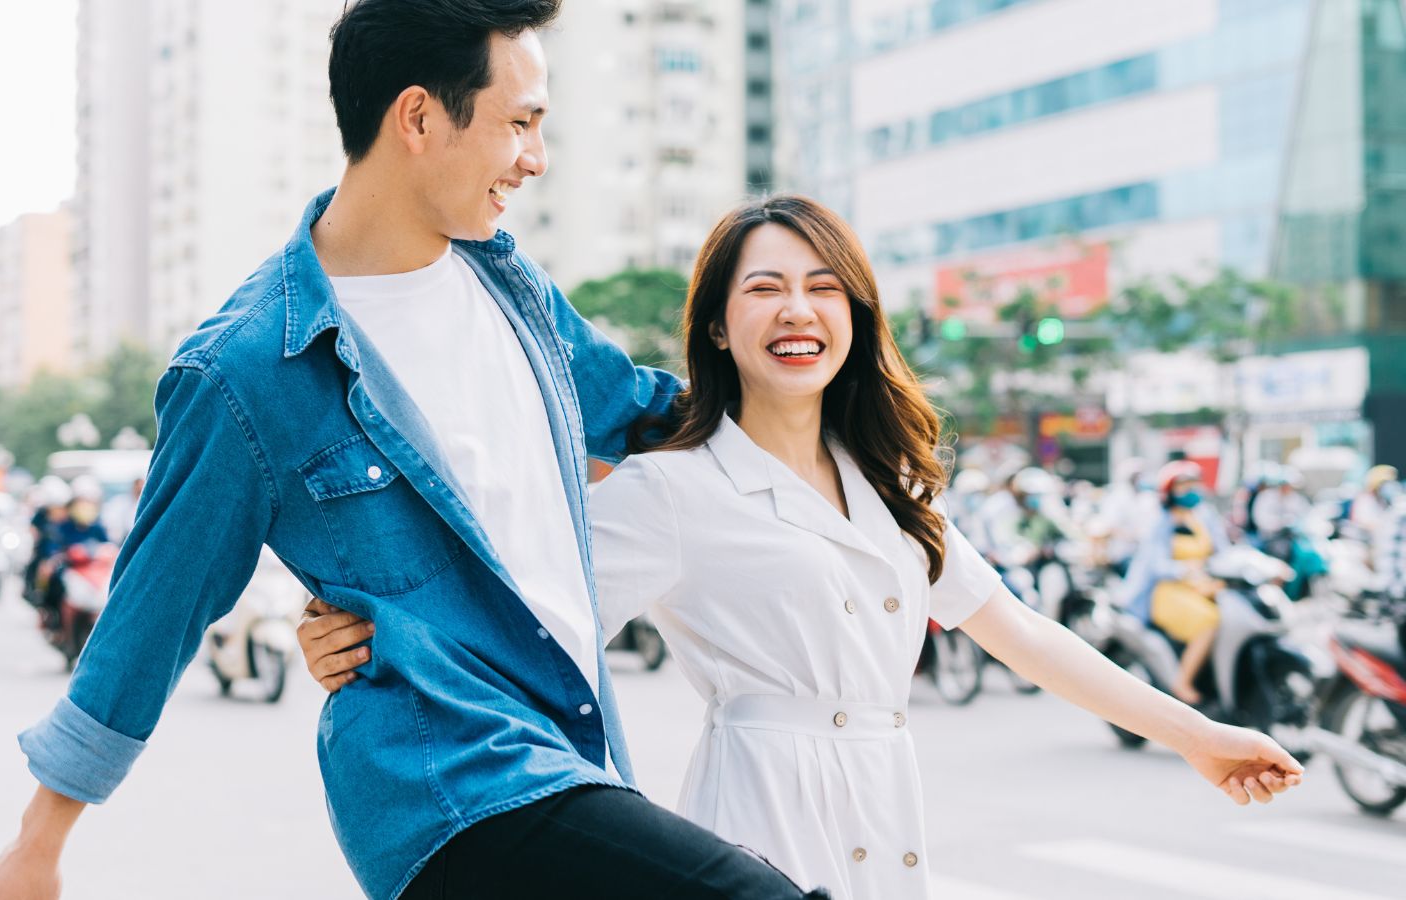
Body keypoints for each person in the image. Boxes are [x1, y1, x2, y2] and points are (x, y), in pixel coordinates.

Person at [0, 4, 826, 899]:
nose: (536, 158)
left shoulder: (511, 288)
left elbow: (650, 414)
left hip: (572, 753)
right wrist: (39, 845)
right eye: (520, 123)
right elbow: (155, 607)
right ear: (418, 117)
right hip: (444, 788)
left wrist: (829, 388)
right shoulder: (247, 369)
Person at [303, 196, 1305, 899]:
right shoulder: (673, 490)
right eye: (765, 288)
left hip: (886, 803)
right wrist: (362, 628)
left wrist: (1198, 737)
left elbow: (1023, 634)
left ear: (855, 317)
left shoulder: (893, 487)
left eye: (824, 287)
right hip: (757, 818)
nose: (797, 309)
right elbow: (510, 622)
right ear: (718, 325)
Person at [1122, 461, 1231, 705]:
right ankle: (1182, 682)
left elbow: (1224, 551)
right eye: (1184, 486)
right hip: (1165, 591)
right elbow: (1157, 564)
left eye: (1194, 484)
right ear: (1169, 491)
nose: (1192, 490)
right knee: (1208, 620)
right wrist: (1187, 570)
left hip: (1202, 585)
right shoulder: (1160, 521)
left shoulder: (1204, 516)